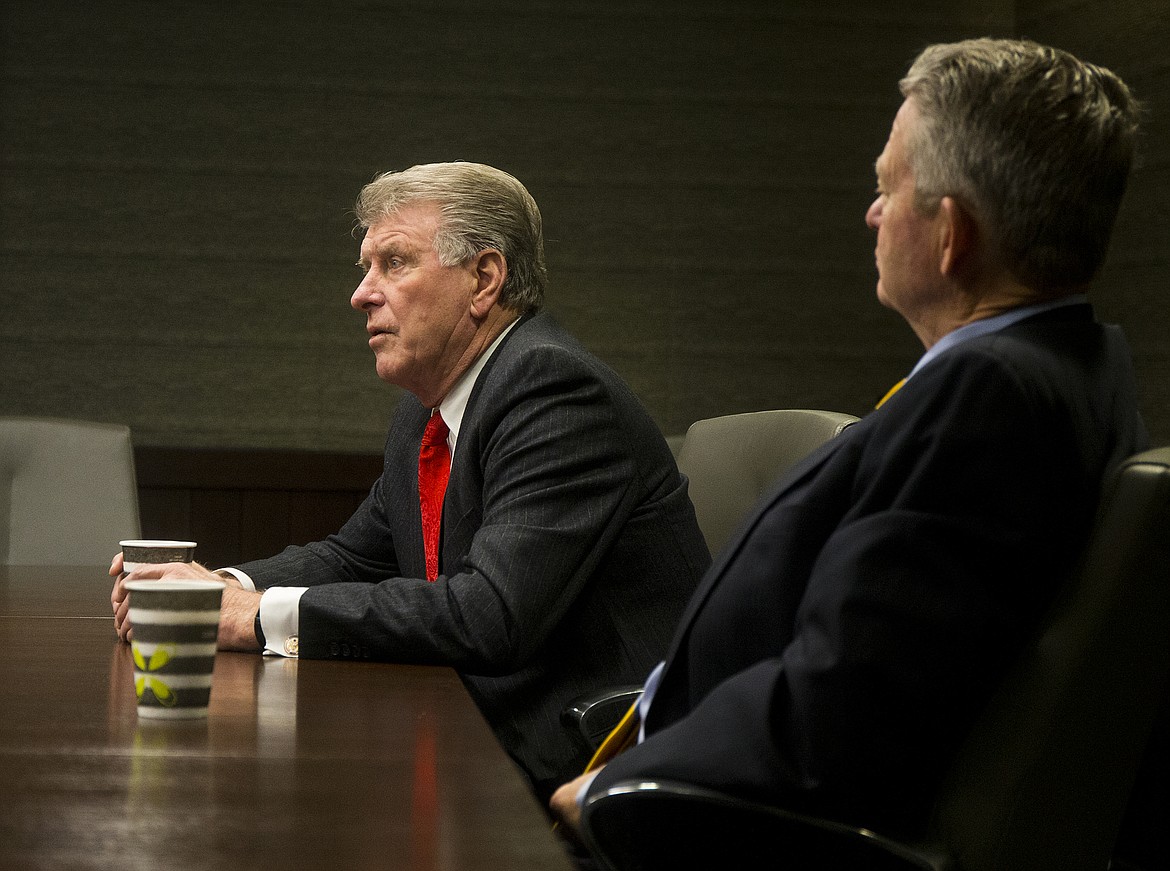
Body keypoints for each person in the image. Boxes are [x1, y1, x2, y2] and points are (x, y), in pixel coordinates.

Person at [551, 36, 1149, 846]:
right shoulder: (1075, 360)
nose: (872, 210)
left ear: (952, 235)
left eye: (887, 187)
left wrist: (608, 789)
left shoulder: (988, 396)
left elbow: (837, 707)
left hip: (706, 823)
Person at [111, 161, 712, 800]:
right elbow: (354, 557)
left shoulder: (555, 392)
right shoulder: (431, 408)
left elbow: (491, 615)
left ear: (484, 278)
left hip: (582, 749)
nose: (362, 294)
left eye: (394, 263)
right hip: (479, 725)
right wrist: (220, 588)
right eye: (366, 268)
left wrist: (257, 616)